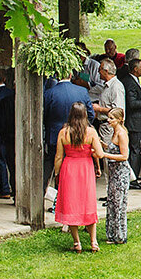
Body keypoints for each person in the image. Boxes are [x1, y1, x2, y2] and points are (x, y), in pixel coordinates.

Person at [52, 104, 102, 253]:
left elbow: (59, 156)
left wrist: (57, 173)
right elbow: (99, 153)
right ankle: (93, 241)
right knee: (88, 202)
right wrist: (91, 150)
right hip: (85, 167)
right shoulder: (91, 132)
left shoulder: (63, 133)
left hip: (70, 168)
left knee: (71, 203)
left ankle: (77, 242)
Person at [96, 107, 133, 245]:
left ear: (119, 119)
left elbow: (124, 156)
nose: (109, 121)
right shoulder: (114, 132)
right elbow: (114, 149)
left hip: (120, 173)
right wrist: (102, 145)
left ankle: (119, 235)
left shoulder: (122, 134)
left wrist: (104, 155)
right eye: (108, 118)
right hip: (113, 172)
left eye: (112, 118)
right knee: (112, 203)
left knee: (118, 204)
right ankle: (112, 234)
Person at [120, 56, 141, 188]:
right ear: (135, 69)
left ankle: (133, 175)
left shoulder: (134, 80)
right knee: (135, 150)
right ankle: (132, 178)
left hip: (138, 121)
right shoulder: (129, 82)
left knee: (135, 149)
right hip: (134, 122)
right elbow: (132, 103)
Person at [0, 67, 17, 201]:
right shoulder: (9, 94)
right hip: (12, 132)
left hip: (1, 132)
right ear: (5, 79)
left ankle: (5, 188)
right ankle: (10, 189)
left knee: (0, 160)